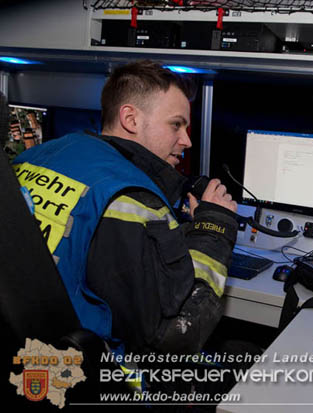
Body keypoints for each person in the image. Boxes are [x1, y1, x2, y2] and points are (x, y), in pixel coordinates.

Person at [12, 60, 238, 356]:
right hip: (97, 381)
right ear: (130, 119)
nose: (187, 140)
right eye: (176, 125)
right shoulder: (130, 200)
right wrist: (215, 227)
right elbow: (176, 336)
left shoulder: (37, 157)